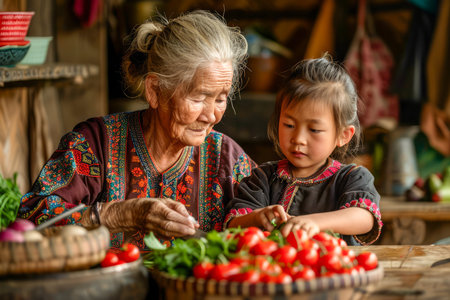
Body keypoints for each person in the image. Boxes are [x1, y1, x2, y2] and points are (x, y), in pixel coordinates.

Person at [18, 10, 256, 250]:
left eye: (220, 99)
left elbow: (268, 226)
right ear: (154, 90)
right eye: (198, 98)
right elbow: (30, 221)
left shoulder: (226, 158)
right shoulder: (94, 144)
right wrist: (119, 214)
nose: (210, 115)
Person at [225, 55, 383, 245]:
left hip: (333, 270)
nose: (298, 139)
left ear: (343, 135)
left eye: (314, 129)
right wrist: (257, 217)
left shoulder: (352, 177)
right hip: (275, 271)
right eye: (289, 125)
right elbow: (233, 223)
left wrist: (313, 222)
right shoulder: (263, 178)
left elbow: (365, 218)